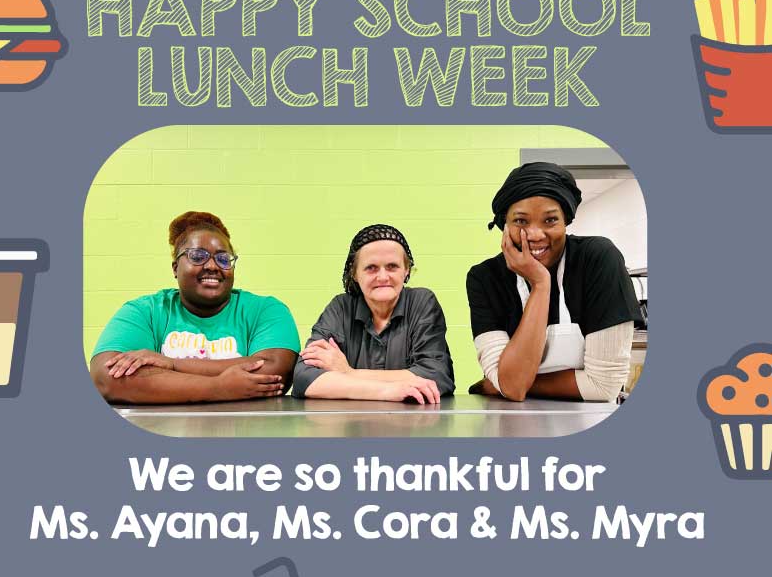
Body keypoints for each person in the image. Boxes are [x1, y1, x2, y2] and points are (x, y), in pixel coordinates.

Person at [466, 162, 643, 402]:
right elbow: (514, 387)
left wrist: (501, 384)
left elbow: (604, 386)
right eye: (521, 221)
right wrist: (541, 284)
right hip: (511, 419)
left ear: (565, 221)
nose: (535, 235)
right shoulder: (485, 278)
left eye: (550, 220)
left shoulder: (598, 260)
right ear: (504, 224)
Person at [90, 211, 300, 404]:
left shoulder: (266, 310)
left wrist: (171, 364)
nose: (212, 266)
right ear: (175, 267)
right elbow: (106, 379)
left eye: (223, 259)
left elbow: (274, 372)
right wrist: (218, 388)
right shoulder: (144, 311)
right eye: (198, 257)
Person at [292, 224, 455, 403]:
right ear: (354, 273)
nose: (383, 277)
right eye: (371, 268)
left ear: (406, 270)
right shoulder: (340, 308)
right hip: (351, 420)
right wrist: (388, 391)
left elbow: (435, 374)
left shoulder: (422, 302)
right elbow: (304, 378)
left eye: (392, 266)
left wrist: (349, 372)